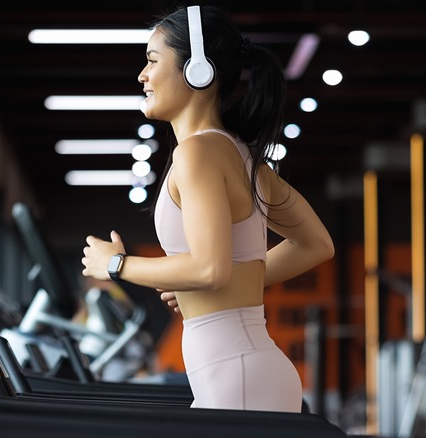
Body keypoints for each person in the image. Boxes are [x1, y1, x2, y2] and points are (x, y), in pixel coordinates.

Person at [82, 4, 334, 413]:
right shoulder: (243, 156)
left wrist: (116, 265)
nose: (142, 76)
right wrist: (222, 286)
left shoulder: (198, 153)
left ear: (197, 70)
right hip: (245, 370)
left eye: (152, 61)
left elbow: (208, 268)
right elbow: (315, 244)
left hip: (238, 376)